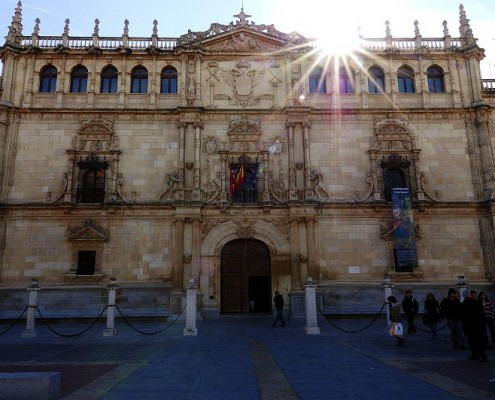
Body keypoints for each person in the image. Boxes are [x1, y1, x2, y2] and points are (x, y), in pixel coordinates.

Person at [462, 290, 487, 362]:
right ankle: (481, 355)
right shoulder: (478, 303)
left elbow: (464, 315)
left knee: (473, 342)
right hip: (477, 326)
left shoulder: (466, 303)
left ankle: (476, 355)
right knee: (478, 341)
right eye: (474, 295)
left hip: (471, 326)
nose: (475, 296)